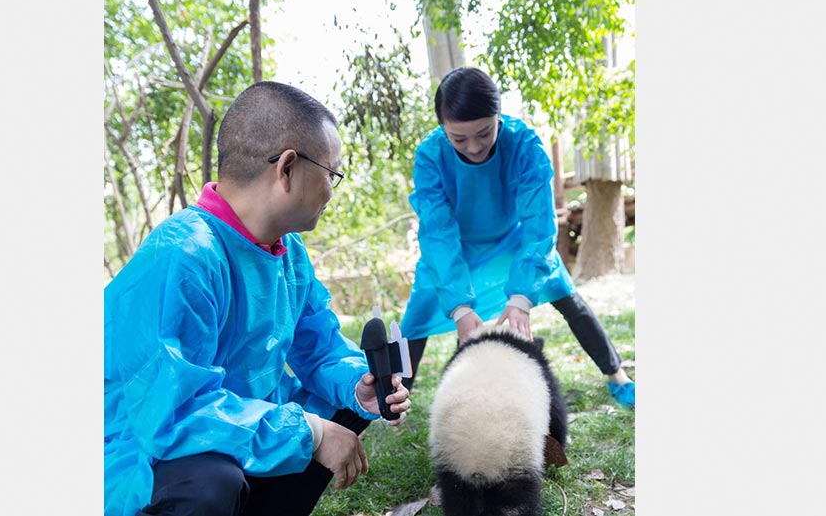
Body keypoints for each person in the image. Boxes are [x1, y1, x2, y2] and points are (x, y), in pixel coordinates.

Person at [104, 81, 411, 516]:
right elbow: (173, 414)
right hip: (144, 449)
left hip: (232, 428)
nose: (331, 190)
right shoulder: (182, 255)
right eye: (332, 173)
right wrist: (312, 434)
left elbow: (320, 348)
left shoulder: (287, 253)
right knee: (210, 484)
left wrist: (359, 389)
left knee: (342, 407)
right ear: (287, 168)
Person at [399, 67, 634, 408]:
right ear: (442, 128)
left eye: (484, 132)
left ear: (498, 117)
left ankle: (618, 375)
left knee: (568, 297)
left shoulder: (523, 143)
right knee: (416, 320)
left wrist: (522, 297)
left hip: (515, 240)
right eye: (459, 139)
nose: (474, 147)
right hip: (456, 249)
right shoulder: (430, 156)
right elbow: (437, 232)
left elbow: (539, 222)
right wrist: (461, 307)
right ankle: (391, 400)